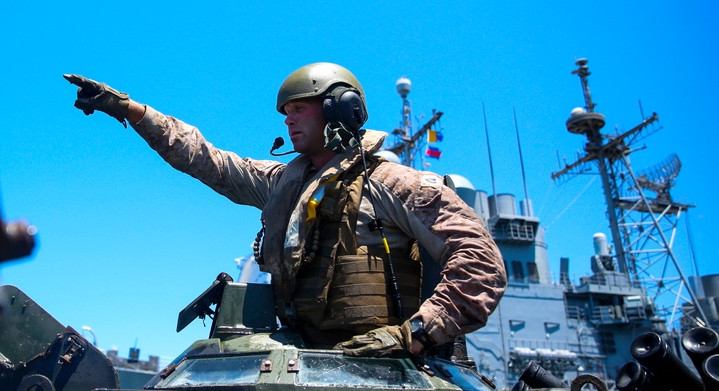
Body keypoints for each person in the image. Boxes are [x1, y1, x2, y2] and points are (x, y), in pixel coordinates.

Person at [64, 62, 506, 358]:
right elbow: (206, 159)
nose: (289, 120)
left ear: (340, 109)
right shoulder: (284, 184)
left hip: (385, 366)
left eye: (299, 109)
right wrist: (130, 109)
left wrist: (414, 334)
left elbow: (481, 262)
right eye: (285, 113)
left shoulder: (395, 183)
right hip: (306, 358)